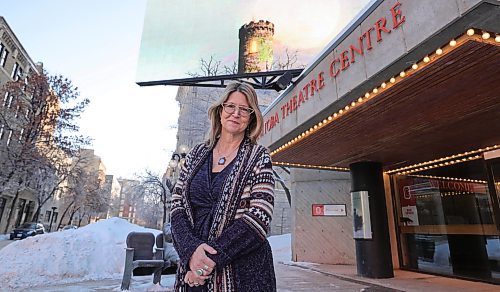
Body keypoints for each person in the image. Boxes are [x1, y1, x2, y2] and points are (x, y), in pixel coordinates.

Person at [170, 81, 276, 291]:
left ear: (251, 117)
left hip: (243, 275)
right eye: (230, 106)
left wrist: (205, 263)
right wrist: (191, 252)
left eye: (244, 109)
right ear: (220, 111)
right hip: (191, 270)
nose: (235, 113)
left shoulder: (259, 156)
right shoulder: (195, 154)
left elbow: (259, 217)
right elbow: (177, 207)